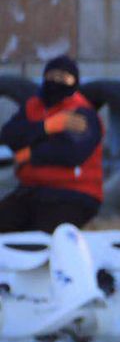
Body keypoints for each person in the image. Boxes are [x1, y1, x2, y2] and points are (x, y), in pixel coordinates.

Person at [0, 55, 104, 232]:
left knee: (40, 236)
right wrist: (46, 128)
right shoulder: (33, 106)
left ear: (75, 81)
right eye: (52, 75)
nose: (57, 81)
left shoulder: (81, 112)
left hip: (73, 193)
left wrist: (28, 154)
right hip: (31, 190)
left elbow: (70, 153)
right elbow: (10, 135)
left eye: (64, 77)